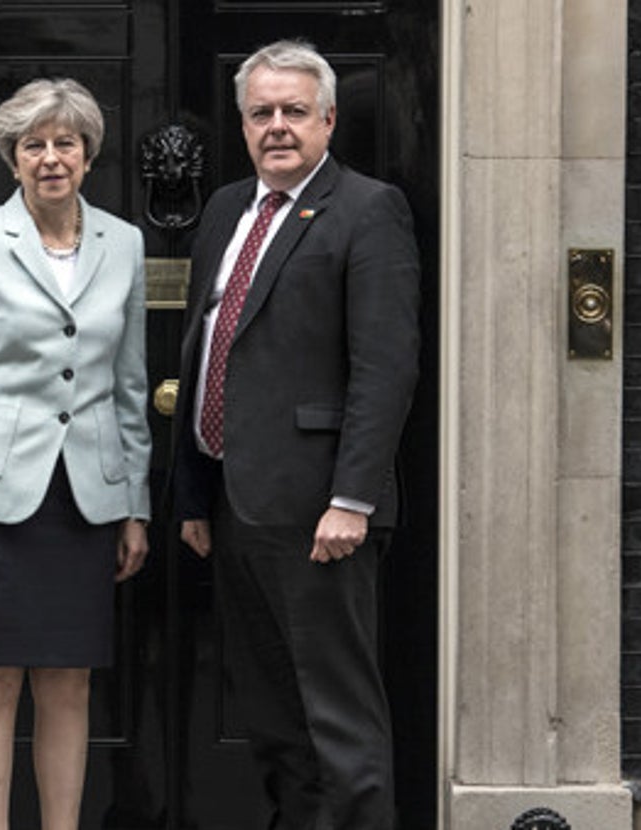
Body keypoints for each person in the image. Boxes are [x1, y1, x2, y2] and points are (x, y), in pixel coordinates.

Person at [172, 40, 420, 830]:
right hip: (234, 501)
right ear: (243, 124)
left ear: (329, 120)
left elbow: (385, 368)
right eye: (261, 113)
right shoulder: (225, 211)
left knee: (336, 713)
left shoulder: (368, 209)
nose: (276, 126)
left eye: (294, 111)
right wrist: (193, 495)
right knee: (272, 711)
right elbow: (204, 349)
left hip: (320, 509)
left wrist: (352, 499)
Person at [0, 78, 151, 830]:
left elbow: (128, 386)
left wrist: (134, 505)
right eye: (33, 145)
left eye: (65, 143)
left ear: (88, 154)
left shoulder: (124, 243)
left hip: (85, 498)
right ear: (12, 159)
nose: (51, 158)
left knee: (68, 680)